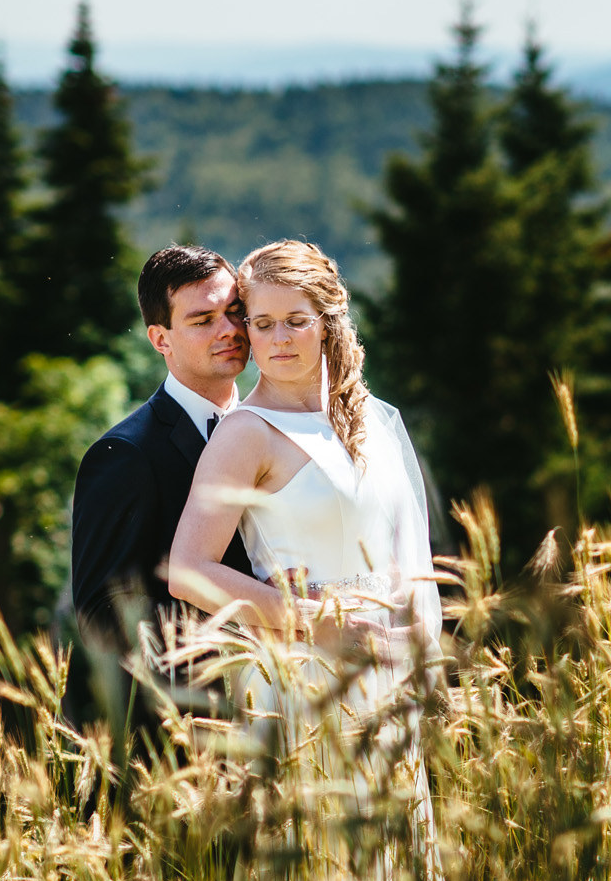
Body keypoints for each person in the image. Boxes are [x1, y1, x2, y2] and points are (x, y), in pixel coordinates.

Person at [167, 239, 442, 743]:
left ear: (326, 321)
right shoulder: (246, 432)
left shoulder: (375, 419)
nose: (279, 340)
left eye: (296, 320)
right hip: (301, 674)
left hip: (387, 674)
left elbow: (409, 559)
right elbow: (188, 571)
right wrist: (315, 623)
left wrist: (412, 646)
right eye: (262, 323)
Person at [60, 244, 256, 730]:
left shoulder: (274, 432)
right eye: (202, 319)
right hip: (187, 729)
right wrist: (239, 631)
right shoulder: (125, 454)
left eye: (234, 312)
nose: (228, 330)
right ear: (159, 338)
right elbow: (102, 615)